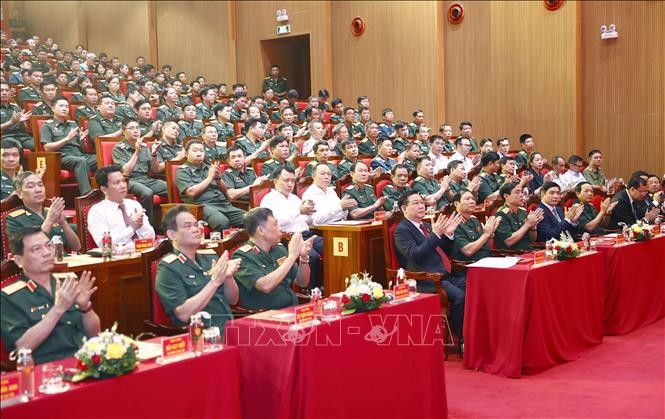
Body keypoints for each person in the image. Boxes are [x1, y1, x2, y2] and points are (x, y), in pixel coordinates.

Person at [1, 227, 100, 364]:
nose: (47, 253)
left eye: (48, 245)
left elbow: (94, 335)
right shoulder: (10, 297)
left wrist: (85, 308)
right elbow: (22, 347)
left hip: (85, 360)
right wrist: (58, 309)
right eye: (36, 249)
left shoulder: (68, 282)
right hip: (47, 368)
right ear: (19, 260)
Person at [393, 191, 466, 348]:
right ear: (404, 208)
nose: (421, 206)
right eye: (416, 203)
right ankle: (462, 339)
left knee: (475, 285)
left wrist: (449, 234)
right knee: (460, 296)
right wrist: (436, 235)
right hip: (427, 279)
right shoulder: (402, 230)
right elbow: (416, 256)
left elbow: (443, 251)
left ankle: (472, 331)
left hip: (445, 274)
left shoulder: (426, 226)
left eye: (422, 202)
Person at [156, 206, 239, 332]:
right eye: (188, 226)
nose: (196, 230)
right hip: (200, 336)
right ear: (172, 234)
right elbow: (183, 314)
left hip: (230, 327)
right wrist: (214, 282)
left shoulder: (210, 257)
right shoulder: (168, 268)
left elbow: (233, 300)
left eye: (196, 224)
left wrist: (228, 277)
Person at [233, 208, 314, 310]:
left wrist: (303, 258)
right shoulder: (243, 256)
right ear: (261, 230)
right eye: (275, 224)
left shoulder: (279, 249)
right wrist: (292, 257)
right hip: (265, 315)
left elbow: (302, 282)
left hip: (291, 307)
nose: (280, 228)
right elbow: (265, 286)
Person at [260, 166, 324, 289]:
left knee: (332, 248)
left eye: (293, 181)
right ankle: (310, 291)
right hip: (289, 238)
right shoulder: (269, 200)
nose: (290, 184)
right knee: (313, 257)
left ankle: (328, 284)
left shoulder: (294, 198)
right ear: (275, 181)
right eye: (286, 180)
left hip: (307, 233)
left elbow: (306, 221)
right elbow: (276, 222)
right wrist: (299, 211)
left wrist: (309, 213)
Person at [176, 140, 247, 231]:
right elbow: (191, 192)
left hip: (222, 203)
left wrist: (218, 178)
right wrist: (210, 177)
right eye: (195, 150)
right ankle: (218, 245)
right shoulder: (183, 171)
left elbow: (225, 191)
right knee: (222, 222)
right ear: (186, 154)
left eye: (201, 151)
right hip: (202, 206)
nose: (199, 153)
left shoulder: (209, 168)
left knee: (251, 219)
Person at [7, 172, 81, 252]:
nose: (38, 190)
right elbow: (27, 250)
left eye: (40, 185)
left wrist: (63, 223)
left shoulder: (50, 212)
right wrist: (49, 221)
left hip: (63, 260)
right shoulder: (14, 219)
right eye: (31, 186)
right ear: (19, 193)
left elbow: (76, 247)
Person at [112, 118, 167, 225]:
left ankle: (166, 224)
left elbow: (155, 170)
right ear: (124, 131)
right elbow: (125, 173)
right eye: (131, 128)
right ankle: (148, 225)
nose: (136, 131)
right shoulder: (118, 148)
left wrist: (154, 154)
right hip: (129, 180)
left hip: (146, 179)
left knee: (170, 188)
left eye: (137, 128)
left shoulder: (145, 147)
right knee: (147, 192)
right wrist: (137, 152)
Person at [87, 165, 156, 248]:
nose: (123, 185)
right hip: (120, 258)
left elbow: (151, 237)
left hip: (143, 252)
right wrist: (132, 228)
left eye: (123, 181)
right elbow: (104, 245)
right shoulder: (97, 211)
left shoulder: (134, 204)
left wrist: (140, 225)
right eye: (117, 183)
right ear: (104, 189)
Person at [41, 96, 96, 195]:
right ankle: (87, 195)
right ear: (53, 108)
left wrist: (82, 140)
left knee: (99, 159)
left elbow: (82, 149)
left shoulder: (73, 124)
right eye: (61, 106)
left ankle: (103, 191)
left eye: (66, 106)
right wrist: (67, 139)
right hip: (61, 156)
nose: (64, 108)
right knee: (81, 161)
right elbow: (47, 148)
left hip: (78, 154)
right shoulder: (47, 125)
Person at [451, 190, 501, 262]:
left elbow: (487, 247)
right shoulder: (453, 224)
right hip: (470, 265)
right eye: (467, 199)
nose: (472, 201)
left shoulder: (474, 220)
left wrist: (490, 235)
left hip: (487, 260)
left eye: (473, 199)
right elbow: (468, 251)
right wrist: (486, 234)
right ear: (456, 203)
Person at [495, 182, 544, 251]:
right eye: (517, 192)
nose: (521, 195)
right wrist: (527, 225)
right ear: (506, 196)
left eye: (521, 192)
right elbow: (508, 242)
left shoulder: (523, 211)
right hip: (512, 254)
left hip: (528, 250)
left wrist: (532, 227)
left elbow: (532, 239)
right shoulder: (501, 214)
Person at [1, 81, 34, 151]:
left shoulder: (16, 107)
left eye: (6, 90)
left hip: (23, 136)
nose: (4, 92)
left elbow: (26, 128)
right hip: (6, 137)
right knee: (17, 146)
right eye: (1, 90)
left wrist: (22, 122)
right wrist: (11, 122)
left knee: (38, 145)